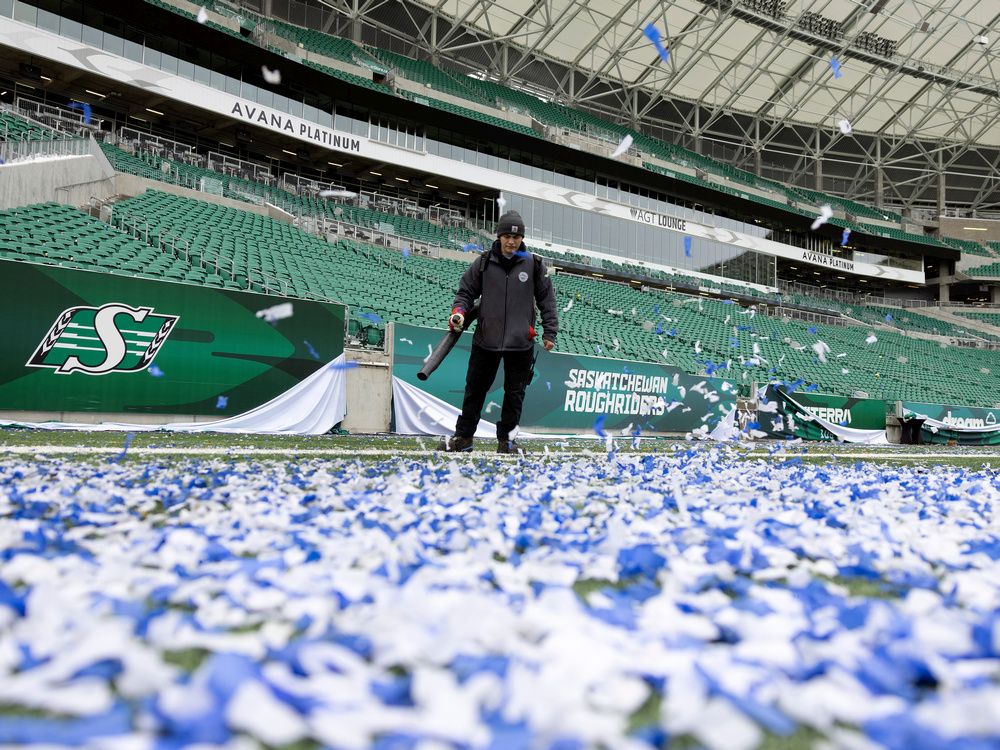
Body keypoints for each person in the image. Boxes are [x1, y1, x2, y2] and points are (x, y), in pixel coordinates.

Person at [439, 210, 558, 453]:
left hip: (521, 342)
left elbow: (547, 299)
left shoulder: (534, 264)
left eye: (516, 237)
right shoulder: (482, 262)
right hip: (486, 339)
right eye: (506, 236)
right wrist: (459, 311)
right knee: (474, 392)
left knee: (515, 395)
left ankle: (507, 441)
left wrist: (550, 332)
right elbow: (465, 292)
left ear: (521, 238)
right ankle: (463, 438)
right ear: (499, 236)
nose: (511, 241)